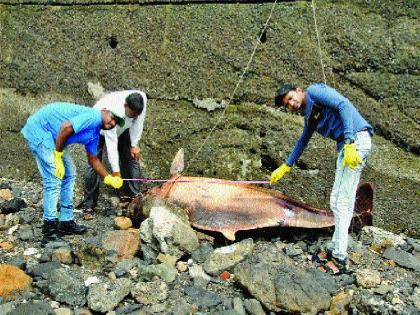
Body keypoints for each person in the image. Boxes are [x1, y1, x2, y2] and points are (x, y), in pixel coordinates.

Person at [270, 83, 373, 274]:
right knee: (337, 200)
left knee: (342, 201)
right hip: (345, 146)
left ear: (299, 90)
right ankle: (335, 247)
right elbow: (303, 140)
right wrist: (286, 165)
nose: (291, 104)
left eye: (291, 98)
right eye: (287, 104)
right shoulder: (309, 116)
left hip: (355, 141)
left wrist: (350, 140)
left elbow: (344, 104)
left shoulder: (315, 92)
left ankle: (340, 258)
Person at [21, 102, 125, 245]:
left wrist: (108, 178)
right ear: (105, 111)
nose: (112, 123)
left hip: (54, 138)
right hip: (40, 130)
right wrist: (57, 155)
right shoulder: (94, 116)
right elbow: (66, 127)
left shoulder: (94, 134)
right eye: (112, 118)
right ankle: (49, 230)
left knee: (70, 173)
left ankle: (66, 221)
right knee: (54, 177)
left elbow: (93, 160)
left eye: (116, 122)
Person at [82, 90, 147, 220]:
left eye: (136, 115)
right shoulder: (113, 112)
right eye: (132, 114)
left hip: (123, 128)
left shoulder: (142, 100)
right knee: (94, 164)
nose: (135, 117)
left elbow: (139, 122)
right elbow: (111, 145)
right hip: (99, 129)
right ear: (125, 106)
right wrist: (116, 173)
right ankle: (89, 206)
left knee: (132, 158)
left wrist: (134, 144)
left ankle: (135, 200)